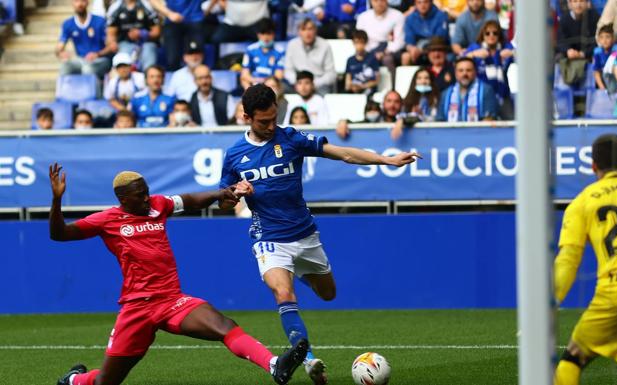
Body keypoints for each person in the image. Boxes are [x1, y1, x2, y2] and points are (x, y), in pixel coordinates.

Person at [218, 84, 420, 385]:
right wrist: (234, 193)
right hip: (269, 238)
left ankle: (297, 272)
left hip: (305, 234)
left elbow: (343, 154)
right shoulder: (235, 155)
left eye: (275, 117)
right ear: (246, 117)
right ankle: (308, 357)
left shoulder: (290, 138)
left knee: (328, 293)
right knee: (283, 294)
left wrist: (386, 160)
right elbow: (222, 202)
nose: (272, 125)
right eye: (264, 121)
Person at [49, 164, 309, 385]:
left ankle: (275, 365)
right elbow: (59, 234)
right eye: (140, 195)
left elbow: (191, 200)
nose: (147, 198)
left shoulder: (158, 206)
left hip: (171, 300)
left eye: (147, 192)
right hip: (137, 307)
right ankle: (74, 380)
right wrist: (57, 200)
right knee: (107, 381)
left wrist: (220, 193)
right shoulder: (106, 220)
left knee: (224, 325)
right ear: (123, 199)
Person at [553, 133, 617, 385]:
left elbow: (568, 260)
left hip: (612, 295)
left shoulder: (583, 201)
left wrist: (550, 303)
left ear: (594, 166)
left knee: (573, 358)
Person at [463, 20, 514, 118]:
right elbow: (460, 61)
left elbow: (528, 58)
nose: (491, 36)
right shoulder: (475, 48)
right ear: (483, 35)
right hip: (481, 94)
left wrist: (513, 53)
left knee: (511, 122)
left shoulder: (505, 47)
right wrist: (473, 55)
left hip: (502, 92)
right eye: (487, 33)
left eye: (495, 33)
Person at [56, 0, 113, 78]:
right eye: (76, 1)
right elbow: (59, 48)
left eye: (82, 1)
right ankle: (65, 90)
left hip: (101, 60)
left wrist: (97, 54)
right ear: (72, 3)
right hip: (81, 60)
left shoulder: (100, 21)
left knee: (88, 69)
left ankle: (93, 90)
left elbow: (112, 46)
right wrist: (61, 53)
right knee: (65, 67)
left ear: (87, 2)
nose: (79, 4)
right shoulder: (68, 24)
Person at [284, 18, 337, 95]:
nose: (307, 33)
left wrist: (313, 83)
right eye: (304, 29)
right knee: (282, 89)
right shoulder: (292, 45)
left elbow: (331, 74)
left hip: (318, 84)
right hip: (297, 83)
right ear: (299, 32)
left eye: (310, 29)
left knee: (325, 91)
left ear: (315, 30)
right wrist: (300, 83)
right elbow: (288, 71)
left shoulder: (325, 45)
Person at [149, 0, 205, 71]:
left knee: (196, 58)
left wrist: (207, 10)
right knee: (172, 60)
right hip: (172, 21)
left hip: (195, 20)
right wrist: (169, 14)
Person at [437, 57, 499, 121]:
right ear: (455, 73)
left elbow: (489, 118)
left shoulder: (486, 90)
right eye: (461, 70)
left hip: (477, 130)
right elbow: (440, 119)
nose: (464, 74)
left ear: (475, 72)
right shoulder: (446, 93)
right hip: (450, 130)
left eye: (468, 70)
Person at [106, 0, 161, 70]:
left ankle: (147, 77)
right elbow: (111, 33)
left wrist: (142, 33)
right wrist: (112, 43)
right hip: (124, 43)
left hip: (146, 42)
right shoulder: (115, 7)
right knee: (123, 58)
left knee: (149, 55)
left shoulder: (146, 4)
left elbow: (157, 31)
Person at [355, 0, 405, 75]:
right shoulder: (363, 17)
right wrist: (368, 53)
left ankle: (393, 85)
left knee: (387, 59)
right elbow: (359, 40)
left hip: (389, 51)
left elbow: (399, 42)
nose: (379, 3)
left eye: (382, 0)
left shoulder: (398, 16)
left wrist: (384, 52)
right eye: (376, 0)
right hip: (368, 51)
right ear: (371, 2)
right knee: (356, 58)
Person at [240, 18, 285, 89]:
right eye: (263, 33)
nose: (266, 37)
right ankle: (250, 97)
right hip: (254, 83)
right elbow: (245, 75)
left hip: (271, 85)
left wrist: (265, 83)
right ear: (258, 34)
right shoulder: (250, 49)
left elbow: (279, 75)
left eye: (269, 33)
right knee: (244, 81)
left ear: (274, 34)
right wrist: (256, 82)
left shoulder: (280, 51)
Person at [402, 0, 449, 66]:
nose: (422, 5)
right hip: (416, 50)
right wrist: (412, 48)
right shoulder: (410, 18)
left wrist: (422, 49)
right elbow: (409, 39)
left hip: (436, 48)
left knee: (437, 54)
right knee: (406, 56)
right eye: (419, 2)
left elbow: (439, 39)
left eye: (425, 2)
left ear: (431, 2)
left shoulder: (441, 16)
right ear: (415, 4)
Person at [345, 30, 380, 96]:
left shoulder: (372, 58)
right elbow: (347, 81)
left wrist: (362, 86)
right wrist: (351, 86)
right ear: (353, 43)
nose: (359, 45)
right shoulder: (350, 60)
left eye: (361, 42)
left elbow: (377, 80)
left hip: (369, 92)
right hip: (354, 91)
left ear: (366, 43)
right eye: (356, 42)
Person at [593, 24, 617, 91]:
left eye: (607, 37)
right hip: (604, 83)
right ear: (599, 39)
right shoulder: (597, 52)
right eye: (602, 37)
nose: (604, 40)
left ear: (613, 39)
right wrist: (602, 88)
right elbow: (596, 72)